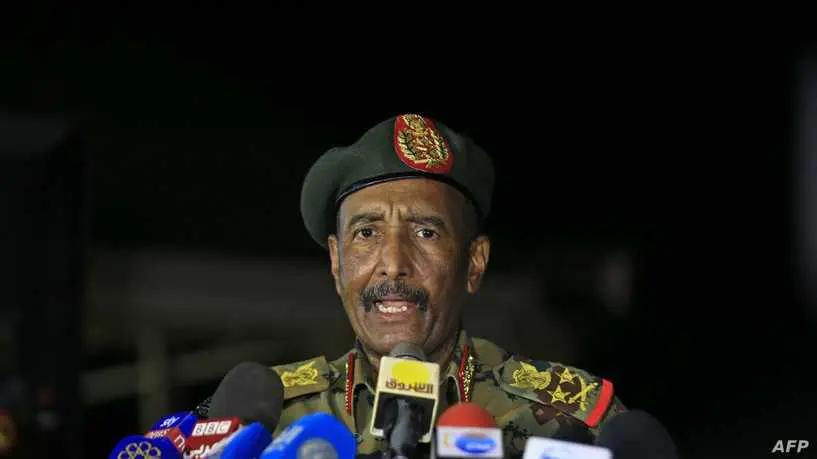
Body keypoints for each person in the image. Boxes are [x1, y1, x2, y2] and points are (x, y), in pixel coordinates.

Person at [269, 114, 626, 457]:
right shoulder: (273, 420)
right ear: (336, 262)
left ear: (474, 263)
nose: (393, 265)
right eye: (366, 233)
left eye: (426, 233)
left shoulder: (569, 420)